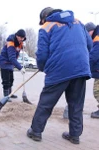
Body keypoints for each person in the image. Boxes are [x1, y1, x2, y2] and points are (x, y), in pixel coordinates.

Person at [26, 7, 92, 144]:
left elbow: (42, 54)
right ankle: (75, 135)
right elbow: (89, 45)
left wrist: (43, 67)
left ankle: (36, 131)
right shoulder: (78, 22)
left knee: (46, 102)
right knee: (76, 104)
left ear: (44, 17)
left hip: (59, 69)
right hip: (80, 68)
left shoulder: (46, 26)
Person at [0, 29, 26, 101]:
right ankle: (6, 96)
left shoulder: (20, 42)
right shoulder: (11, 42)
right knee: (6, 80)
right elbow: (12, 58)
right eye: (21, 38)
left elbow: (18, 49)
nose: (22, 40)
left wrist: (22, 47)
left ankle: (10, 94)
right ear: (17, 36)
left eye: (23, 38)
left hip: (10, 63)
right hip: (4, 62)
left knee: (11, 79)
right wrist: (20, 68)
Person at [85, 22, 99, 118]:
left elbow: (94, 55)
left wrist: (85, 67)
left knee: (97, 91)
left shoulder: (97, 38)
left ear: (91, 31)